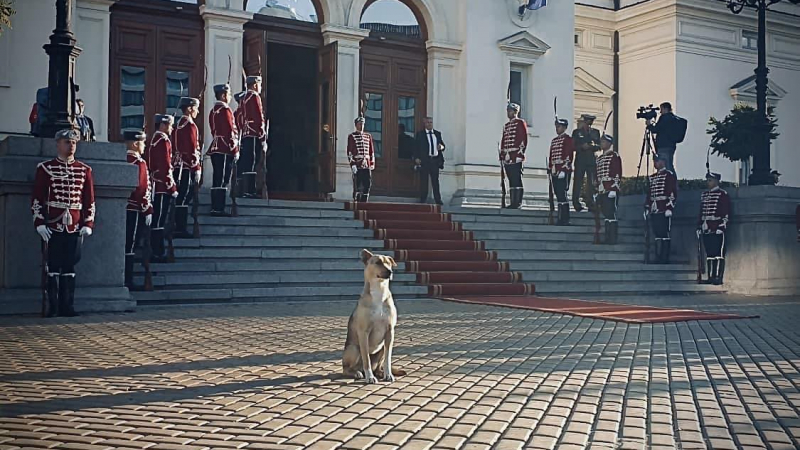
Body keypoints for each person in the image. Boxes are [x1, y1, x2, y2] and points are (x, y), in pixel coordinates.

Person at [31, 128, 95, 317]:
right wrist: (39, 222)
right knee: (52, 265)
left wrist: (88, 223)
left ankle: (68, 306)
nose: (71, 145)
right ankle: (52, 307)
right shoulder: (45, 168)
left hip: (74, 225)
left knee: (69, 266)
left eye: (74, 142)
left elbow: (88, 200)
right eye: (67, 142)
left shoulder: (84, 170)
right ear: (58, 144)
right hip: (53, 224)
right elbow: (37, 198)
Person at [146, 114, 178, 262]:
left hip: (157, 183)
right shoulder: (163, 140)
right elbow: (165, 166)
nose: (171, 128)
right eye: (170, 125)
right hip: (161, 185)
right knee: (159, 219)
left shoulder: (155, 139)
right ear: (163, 125)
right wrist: (171, 187)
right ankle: (157, 251)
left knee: (158, 218)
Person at [124, 130, 153, 289]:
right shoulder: (138, 163)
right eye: (142, 143)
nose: (144, 146)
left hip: (123, 208)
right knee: (130, 245)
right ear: (135, 144)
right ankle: (128, 279)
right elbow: (141, 188)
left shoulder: (122, 160)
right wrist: (147, 209)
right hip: (134, 209)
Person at [171, 97, 202, 238]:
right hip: (186, 165)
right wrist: (196, 167)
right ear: (189, 109)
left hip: (179, 164)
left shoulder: (179, 124)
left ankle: (179, 225)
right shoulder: (189, 125)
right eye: (196, 108)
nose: (198, 111)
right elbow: (191, 149)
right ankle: (180, 226)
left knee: (183, 195)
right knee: (184, 196)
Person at [208, 84, 239, 216]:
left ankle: (215, 206)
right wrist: (235, 149)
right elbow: (229, 132)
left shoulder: (213, 111)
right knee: (223, 179)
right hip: (224, 147)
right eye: (229, 94)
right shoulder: (225, 110)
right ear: (223, 95)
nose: (230, 97)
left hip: (216, 146)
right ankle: (218, 208)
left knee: (217, 177)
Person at [697, 172, 730, 285]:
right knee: (709, 253)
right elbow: (701, 212)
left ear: (716, 181)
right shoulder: (705, 195)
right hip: (707, 227)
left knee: (718, 253)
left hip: (717, 227)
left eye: (710, 180)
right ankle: (711, 276)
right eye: (708, 180)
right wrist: (699, 225)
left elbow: (725, 211)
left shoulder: (722, 194)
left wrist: (722, 225)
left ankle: (718, 277)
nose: (708, 182)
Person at [645, 154, 678, 264]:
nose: (655, 163)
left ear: (663, 162)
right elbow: (650, 194)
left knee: (664, 233)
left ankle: (664, 257)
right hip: (655, 208)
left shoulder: (669, 175)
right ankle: (658, 256)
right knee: (657, 233)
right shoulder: (653, 177)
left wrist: (669, 207)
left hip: (664, 207)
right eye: (655, 161)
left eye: (658, 161)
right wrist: (647, 207)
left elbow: (672, 192)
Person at [239, 76, 266, 198]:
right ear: (255, 85)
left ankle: (245, 189)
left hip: (246, 133)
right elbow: (258, 117)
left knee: (247, 162)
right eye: (259, 84)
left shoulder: (244, 98)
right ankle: (250, 190)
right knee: (252, 161)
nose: (260, 87)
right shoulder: (254, 96)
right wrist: (262, 135)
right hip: (254, 132)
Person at [500, 103, 528, 209]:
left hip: (516, 155)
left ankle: (518, 202)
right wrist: (502, 155)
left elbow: (523, 139)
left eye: (510, 111)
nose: (508, 112)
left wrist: (520, 154)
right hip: (508, 156)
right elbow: (504, 141)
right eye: (508, 110)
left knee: (517, 178)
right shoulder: (507, 125)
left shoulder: (520, 123)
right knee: (511, 178)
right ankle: (512, 202)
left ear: (516, 112)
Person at [595, 133, 622, 244]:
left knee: (611, 213)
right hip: (602, 188)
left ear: (610, 144)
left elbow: (617, 172)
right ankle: (607, 237)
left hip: (610, 188)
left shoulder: (614, 156)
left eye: (604, 142)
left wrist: (614, 188)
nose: (602, 144)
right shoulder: (600, 158)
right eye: (601, 142)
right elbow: (598, 174)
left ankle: (612, 238)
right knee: (606, 213)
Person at [571, 113, 600, 212]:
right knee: (578, 182)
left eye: (590, 123)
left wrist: (592, 146)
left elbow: (599, 146)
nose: (588, 125)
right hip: (580, 160)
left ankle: (591, 203)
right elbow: (573, 146)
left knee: (591, 183)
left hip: (591, 160)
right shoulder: (577, 132)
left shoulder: (595, 132)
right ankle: (576, 203)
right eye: (587, 123)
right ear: (584, 122)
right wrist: (581, 147)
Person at [414, 117, 446, 205]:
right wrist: (416, 158)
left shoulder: (437, 134)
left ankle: (438, 199)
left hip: (435, 161)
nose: (429, 124)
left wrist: (441, 147)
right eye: (428, 122)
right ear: (424, 123)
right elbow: (416, 147)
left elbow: (443, 146)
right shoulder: (420, 134)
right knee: (424, 181)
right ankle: (423, 198)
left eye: (431, 122)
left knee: (435, 181)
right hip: (425, 161)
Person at [548, 118, 574, 225]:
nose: (557, 129)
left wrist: (563, 169)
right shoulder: (554, 140)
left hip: (563, 169)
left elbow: (568, 155)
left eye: (559, 127)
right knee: (558, 194)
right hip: (555, 169)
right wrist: (550, 167)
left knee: (562, 194)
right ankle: (560, 217)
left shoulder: (568, 139)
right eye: (556, 126)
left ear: (564, 128)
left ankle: (565, 218)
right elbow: (551, 156)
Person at [647, 102, 679, 176]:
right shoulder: (672, 118)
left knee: (666, 167)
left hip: (663, 146)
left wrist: (649, 125)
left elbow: (656, 129)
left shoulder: (665, 118)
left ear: (665, 109)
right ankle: (672, 184)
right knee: (669, 166)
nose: (660, 112)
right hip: (670, 146)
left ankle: (672, 185)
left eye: (661, 109)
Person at [347, 116, 375, 202]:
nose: (361, 126)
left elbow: (371, 151)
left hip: (366, 164)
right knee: (358, 184)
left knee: (367, 184)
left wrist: (372, 163)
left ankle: (364, 201)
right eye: (359, 124)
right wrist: (353, 164)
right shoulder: (352, 136)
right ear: (356, 125)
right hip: (357, 163)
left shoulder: (368, 136)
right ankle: (357, 201)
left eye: (362, 124)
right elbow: (350, 152)